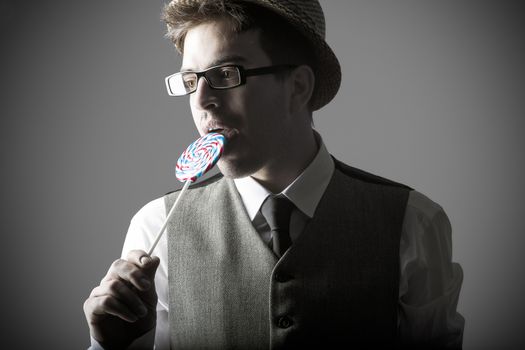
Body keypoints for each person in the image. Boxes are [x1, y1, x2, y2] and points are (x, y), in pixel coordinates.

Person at [83, 0, 464, 349]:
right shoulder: (156, 228)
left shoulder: (413, 222)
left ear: (297, 87)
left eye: (225, 73)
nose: (201, 100)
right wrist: (110, 346)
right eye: (189, 81)